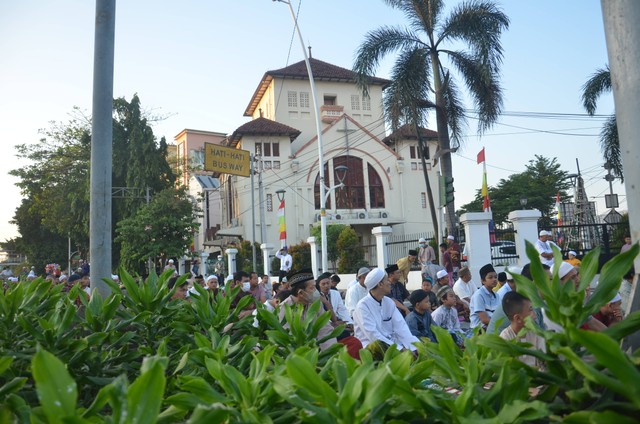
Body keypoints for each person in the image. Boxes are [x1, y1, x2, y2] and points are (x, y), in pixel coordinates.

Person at [280, 271, 361, 358]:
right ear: (301, 293)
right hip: (298, 355)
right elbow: (287, 340)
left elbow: (325, 330)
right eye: (313, 288)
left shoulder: (315, 304)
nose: (316, 291)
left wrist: (330, 354)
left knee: (354, 343)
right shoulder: (284, 309)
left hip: (318, 348)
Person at [353, 268, 419, 351]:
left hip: (391, 343)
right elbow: (373, 335)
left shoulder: (389, 302)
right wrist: (399, 349)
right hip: (371, 347)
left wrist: (414, 347)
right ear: (380, 284)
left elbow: (401, 327)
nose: (390, 282)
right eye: (387, 280)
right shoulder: (362, 306)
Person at [499, 291, 546, 369]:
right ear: (518, 318)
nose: (534, 315)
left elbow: (543, 363)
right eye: (530, 310)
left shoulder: (536, 332)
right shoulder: (505, 338)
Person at [469, 264, 500, 330]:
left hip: (492, 326)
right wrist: (501, 325)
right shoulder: (479, 295)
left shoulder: (496, 295)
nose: (494, 279)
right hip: (480, 330)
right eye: (490, 277)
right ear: (483, 281)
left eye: (495, 277)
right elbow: (484, 320)